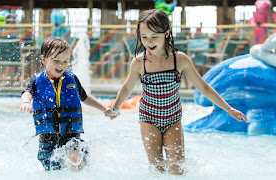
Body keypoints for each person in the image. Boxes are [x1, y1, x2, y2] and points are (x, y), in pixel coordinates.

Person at [104, 9, 248, 175]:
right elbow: (127, 87)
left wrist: (228, 108)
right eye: (144, 37)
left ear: (166, 33)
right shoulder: (139, 63)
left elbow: (203, 87)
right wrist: (115, 108)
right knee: (157, 168)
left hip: (173, 119)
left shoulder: (179, 59)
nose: (149, 42)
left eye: (154, 36)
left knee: (177, 169)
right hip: (148, 118)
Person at [20, 37, 107, 171]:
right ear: (44, 60)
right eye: (56, 61)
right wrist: (26, 102)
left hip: (70, 133)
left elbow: (84, 97)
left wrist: (103, 108)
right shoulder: (37, 81)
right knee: (51, 169)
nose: (61, 65)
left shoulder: (71, 79)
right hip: (47, 137)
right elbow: (27, 93)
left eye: (65, 61)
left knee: (75, 160)